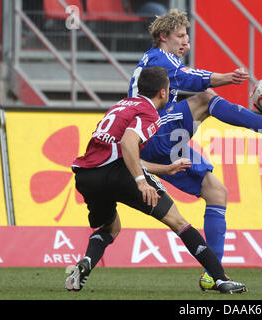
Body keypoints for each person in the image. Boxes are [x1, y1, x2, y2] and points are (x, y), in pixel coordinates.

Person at [128, 9, 262, 291]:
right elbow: (190, 79)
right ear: (163, 37)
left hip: (160, 139)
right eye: (180, 36)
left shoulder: (160, 60)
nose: (185, 42)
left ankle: (212, 273)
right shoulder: (160, 58)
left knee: (217, 192)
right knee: (206, 98)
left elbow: (182, 80)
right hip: (155, 134)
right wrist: (227, 77)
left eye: (187, 37)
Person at [65, 66, 247, 294]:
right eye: (169, 89)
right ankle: (220, 279)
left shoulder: (121, 105)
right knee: (178, 222)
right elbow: (128, 144)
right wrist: (141, 181)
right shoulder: (150, 113)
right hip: (119, 174)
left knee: (111, 227)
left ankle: (86, 263)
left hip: (87, 175)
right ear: (163, 92)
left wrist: (166, 168)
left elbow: (124, 154)